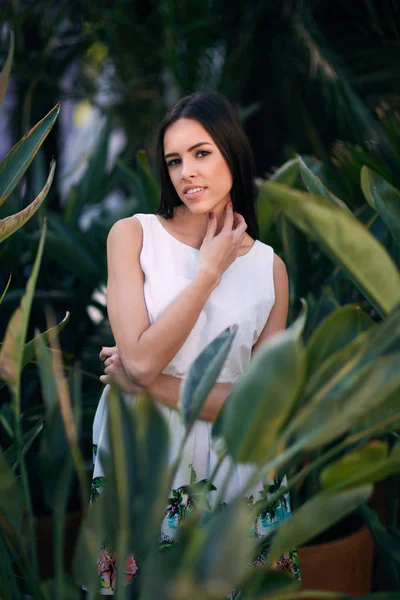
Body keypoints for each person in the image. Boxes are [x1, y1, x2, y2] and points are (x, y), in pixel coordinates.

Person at [91, 91, 299, 594]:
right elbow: (137, 358)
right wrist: (208, 272)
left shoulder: (270, 268)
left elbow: (257, 408)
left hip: (237, 467)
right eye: (174, 160)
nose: (187, 171)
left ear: (232, 152)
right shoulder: (133, 236)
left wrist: (149, 383)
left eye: (201, 153)